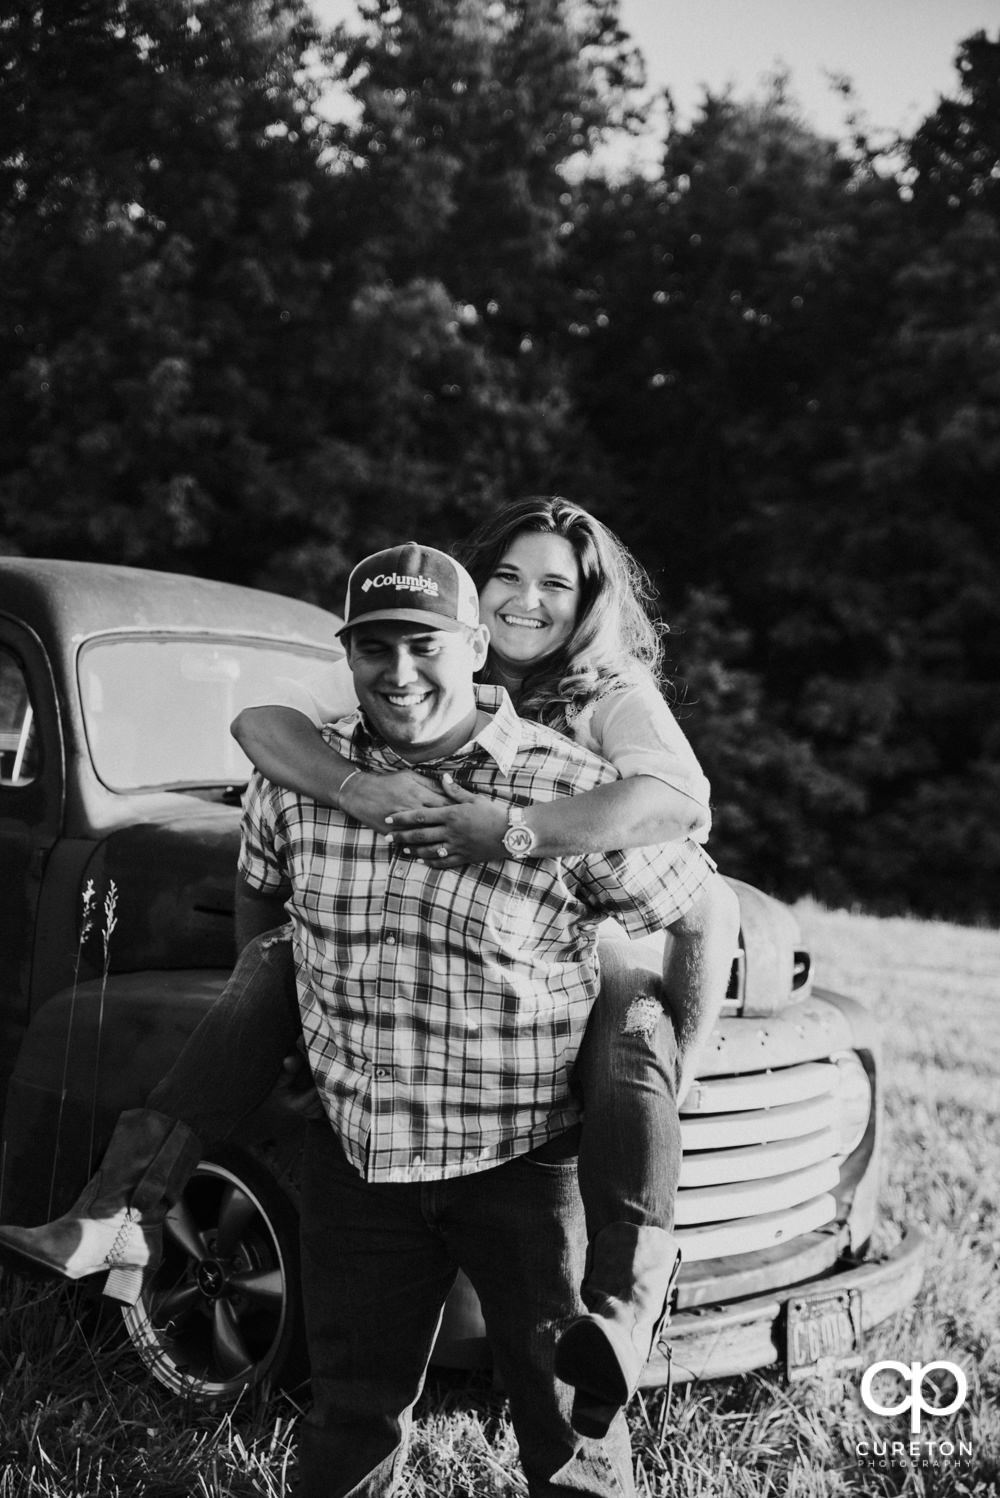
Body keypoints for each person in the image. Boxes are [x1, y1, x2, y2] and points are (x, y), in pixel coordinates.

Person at [0, 505, 737, 1446]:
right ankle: (118, 1208)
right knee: (349, 1405)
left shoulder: (599, 713)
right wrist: (352, 792)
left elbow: (692, 854)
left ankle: (623, 1313)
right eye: (509, 576)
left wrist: (509, 830)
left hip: (552, 1052)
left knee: (566, 1405)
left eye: (555, 585)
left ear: (472, 646)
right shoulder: (325, 757)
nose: (528, 601)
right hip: (367, 1131)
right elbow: (260, 747)